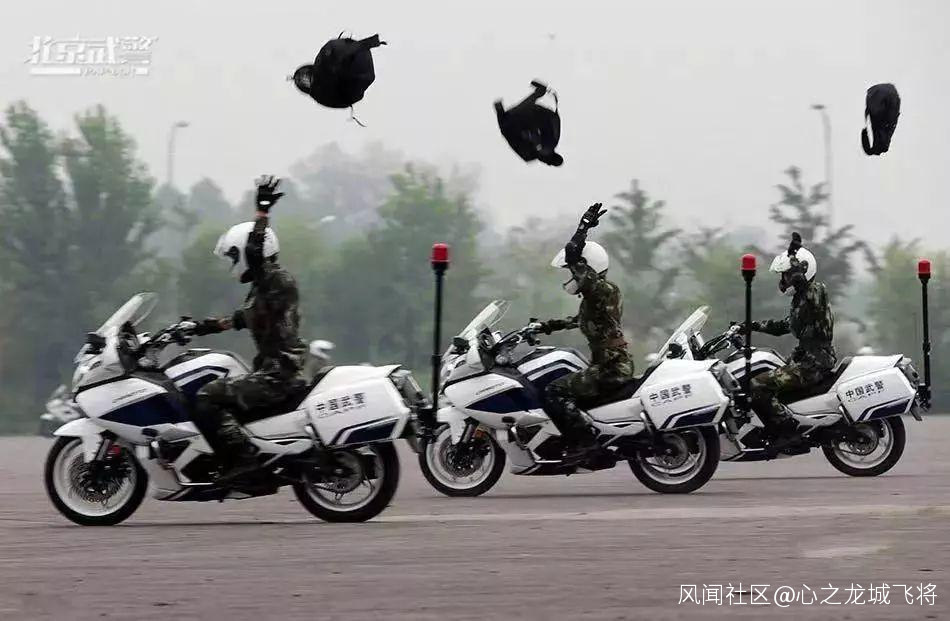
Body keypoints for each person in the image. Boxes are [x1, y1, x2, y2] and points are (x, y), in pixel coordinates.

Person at [191, 175, 308, 482]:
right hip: (276, 371)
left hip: (277, 375)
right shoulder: (264, 291)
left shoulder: (274, 280)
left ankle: (244, 460)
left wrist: (262, 212)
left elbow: (254, 254)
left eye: (234, 255)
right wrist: (199, 327)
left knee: (206, 396)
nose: (234, 262)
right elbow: (240, 319)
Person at [537, 204, 634, 459]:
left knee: (554, 391)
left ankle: (586, 445)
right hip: (611, 364)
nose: (571, 273)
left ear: (587, 267)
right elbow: (580, 321)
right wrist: (545, 326)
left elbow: (572, 255)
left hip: (610, 368)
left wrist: (583, 228)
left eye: (573, 270)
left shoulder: (601, 290)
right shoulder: (596, 297)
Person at [747, 232, 835, 437]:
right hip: (806, 360)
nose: (783, 280)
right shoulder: (800, 301)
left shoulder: (816, 293)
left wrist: (794, 263)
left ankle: (786, 430)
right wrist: (750, 326)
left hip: (814, 364)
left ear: (800, 272)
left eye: (786, 275)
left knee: (757, 385)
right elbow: (783, 326)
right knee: (764, 374)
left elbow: (808, 292)